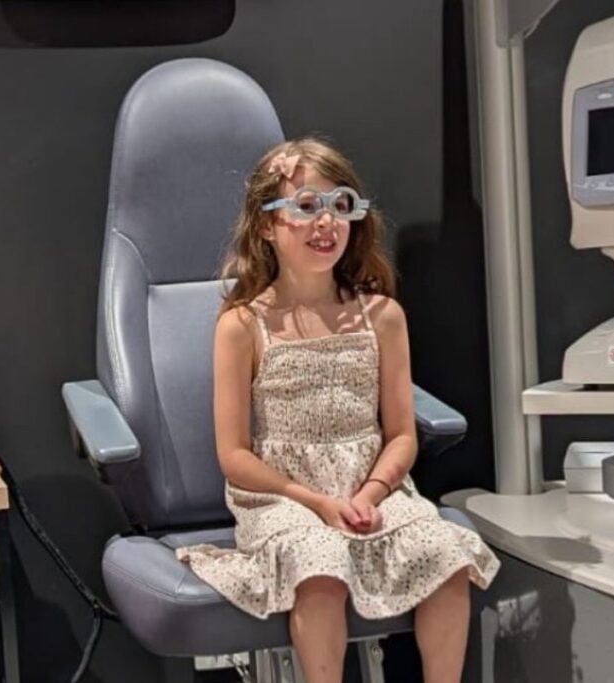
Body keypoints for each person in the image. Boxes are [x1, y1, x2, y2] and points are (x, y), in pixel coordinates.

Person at [177, 138, 499, 683]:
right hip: (282, 497)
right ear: (266, 226)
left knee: (445, 553)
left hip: (370, 489)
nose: (325, 222)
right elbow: (233, 455)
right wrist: (316, 501)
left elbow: (401, 435)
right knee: (317, 564)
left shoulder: (383, 316)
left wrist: (370, 494)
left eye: (339, 205)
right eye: (304, 206)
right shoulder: (241, 325)